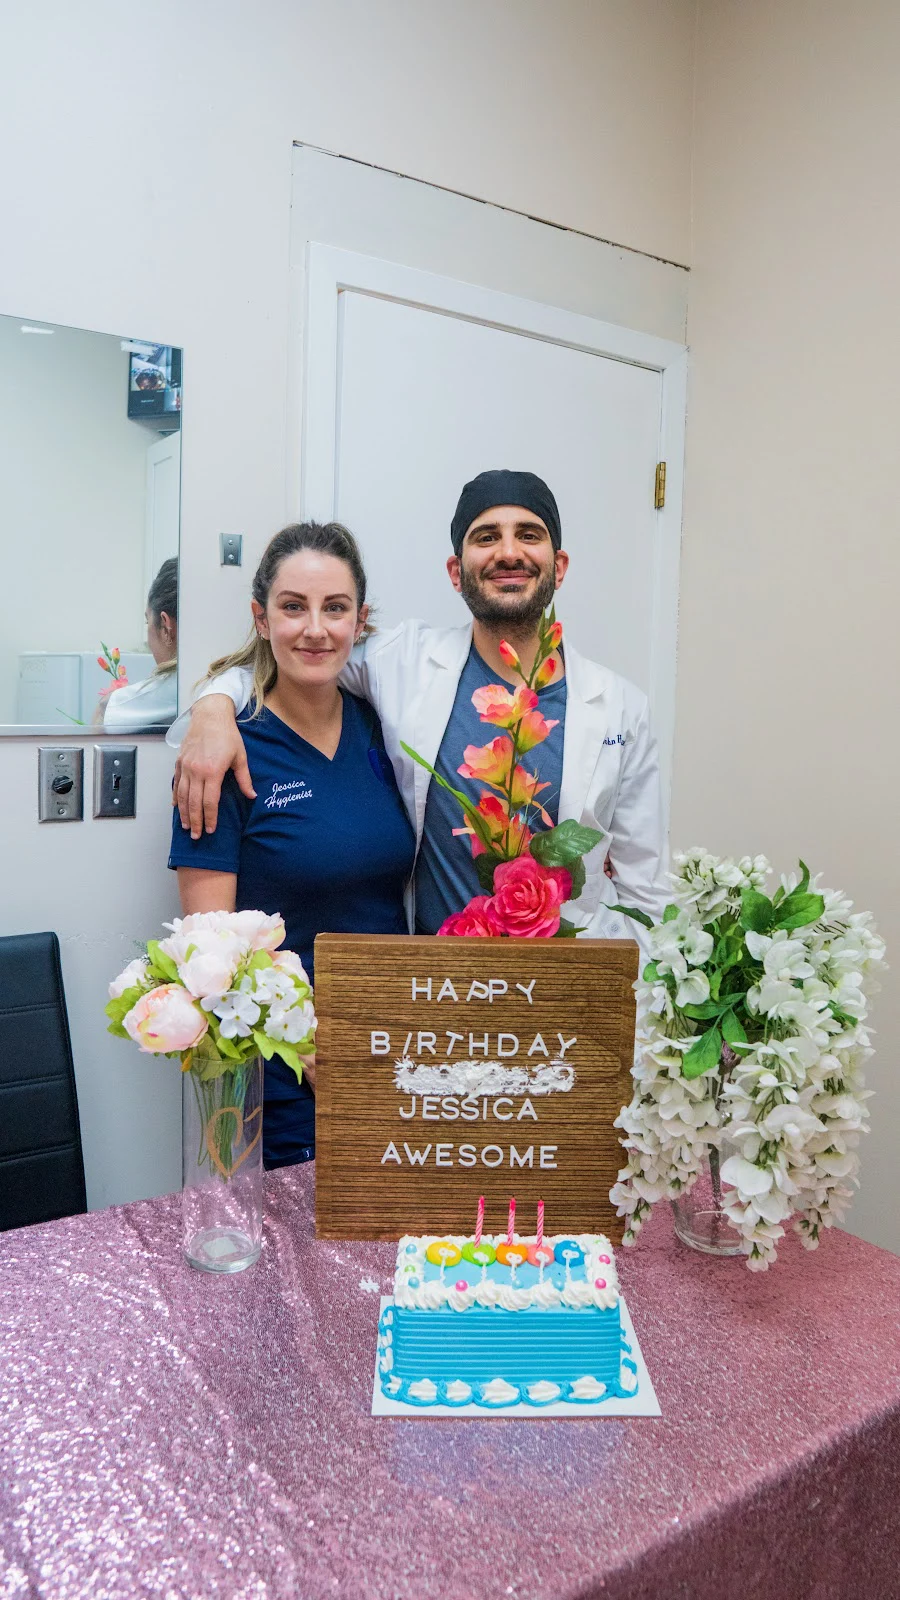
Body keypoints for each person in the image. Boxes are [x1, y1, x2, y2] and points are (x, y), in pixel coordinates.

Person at [170, 469, 667, 946]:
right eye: (486, 536)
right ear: (456, 572)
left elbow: (646, 887)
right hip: (430, 982)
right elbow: (296, 657)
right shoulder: (402, 662)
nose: (508, 552)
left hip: (565, 983)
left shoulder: (622, 708)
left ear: (558, 566)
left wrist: (645, 998)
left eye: (528, 535)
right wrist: (213, 708)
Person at [167, 522, 416, 1169]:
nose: (315, 629)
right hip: (288, 1070)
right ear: (262, 618)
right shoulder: (221, 755)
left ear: (359, 621)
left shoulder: (383, 727)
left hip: (395, 1051)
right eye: (293, 607)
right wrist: (304, 1044)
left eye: (335, 608)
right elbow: (207, 948)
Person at [103, 557, 178, 731]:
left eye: (147, 621)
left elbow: (104, 714)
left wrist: (105, 706)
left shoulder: (176, 689)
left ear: (166, 627)